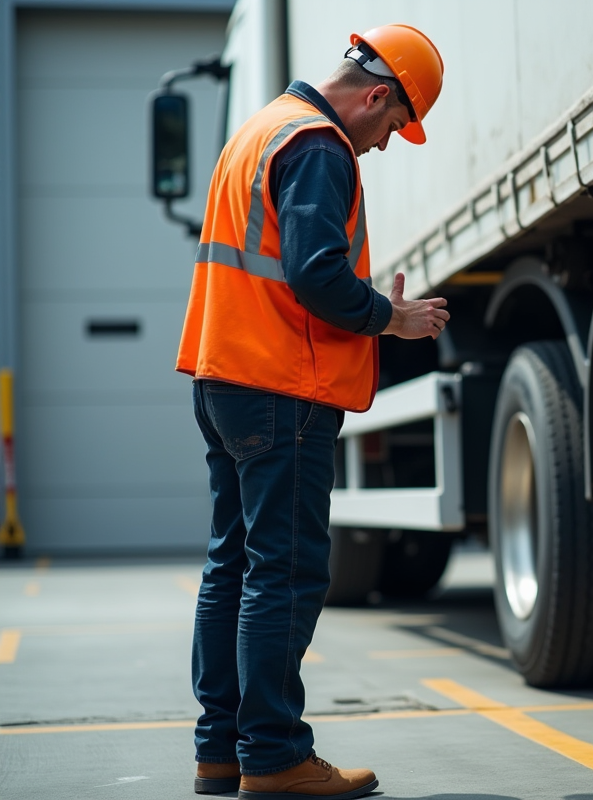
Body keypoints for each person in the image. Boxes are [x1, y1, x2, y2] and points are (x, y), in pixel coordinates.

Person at [175, 24, 449, 800]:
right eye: (394, 126)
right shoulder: (320, 147)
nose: (386, 144)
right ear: (376, 95)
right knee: (285, 572)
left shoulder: (259, 130)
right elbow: (318, 274)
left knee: (234, 565)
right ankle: (274, 757)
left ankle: (220, 750)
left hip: (224, 378)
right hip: (279, 386)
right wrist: (390, 319)